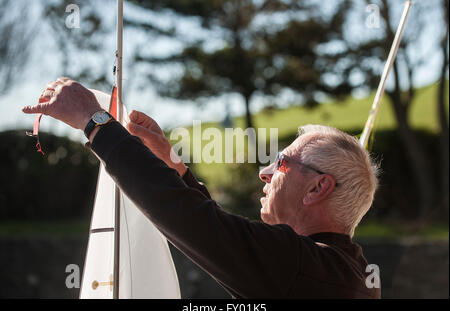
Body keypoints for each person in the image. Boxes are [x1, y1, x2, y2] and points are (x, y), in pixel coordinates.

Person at [23, 77, 381, 298]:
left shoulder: (303, 267)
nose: (265, 173)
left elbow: (197, 225)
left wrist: (95, 121)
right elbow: (225, 237)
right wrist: (174, 167)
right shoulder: (349, 271)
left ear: (318, 188)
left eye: (283, 162)